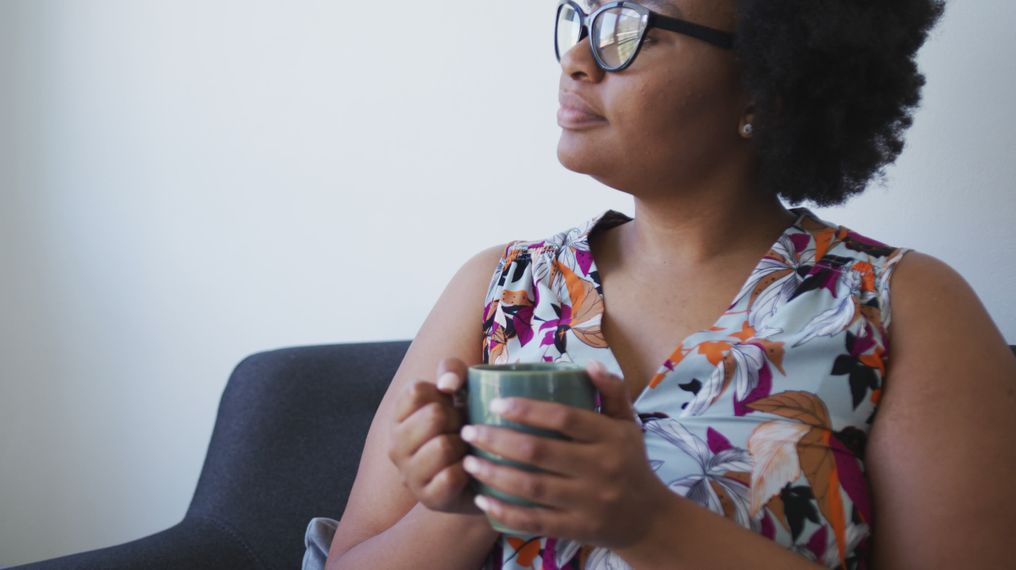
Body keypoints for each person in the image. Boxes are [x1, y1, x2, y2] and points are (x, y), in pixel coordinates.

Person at [321, 0, 1016, 568]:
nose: (578, 60)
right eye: (583, 19)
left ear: (764, 86)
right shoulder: (502, 286)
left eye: (627, 29)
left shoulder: (901, 306)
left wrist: (649, 521)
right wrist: (473, 505)